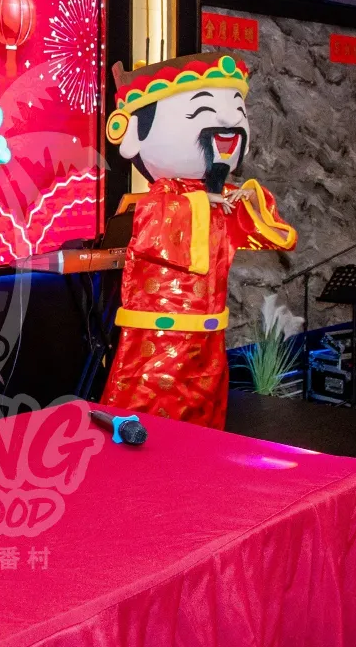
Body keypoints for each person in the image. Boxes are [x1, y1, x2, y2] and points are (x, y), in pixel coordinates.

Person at [102, 51, 297, 429]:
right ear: (132, 134)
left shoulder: (220, 197)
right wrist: (200, 203)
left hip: (208, 340)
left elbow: (273, 236)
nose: (229, 123)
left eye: (237, 111)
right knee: (148, 417)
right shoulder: (160, 199)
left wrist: (249, 199)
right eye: (203, 110)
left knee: (206, 421)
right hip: (160, 340)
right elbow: (153, 235)